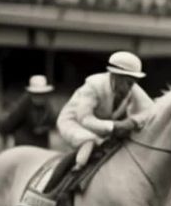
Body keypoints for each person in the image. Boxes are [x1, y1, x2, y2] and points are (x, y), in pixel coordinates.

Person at [53, 51, 154, 184]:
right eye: (129, 83)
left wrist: (133, 122)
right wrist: (115, 126)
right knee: (90, 141)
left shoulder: (131, 88)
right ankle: (64, 180)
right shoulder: (93, 85)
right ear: (116, 76)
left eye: (134, 82)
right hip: (73, 122)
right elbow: (85, 119)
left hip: (99, 129)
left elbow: (153, 111)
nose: (132, 88)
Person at [0, 74, 58, 148]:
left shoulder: (47, 105)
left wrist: (44, 128)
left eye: (42, 94)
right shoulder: (24, 104)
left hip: (42, 147)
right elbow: (7, 124)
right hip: (24, 147)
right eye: (36, 94)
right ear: (31, 93)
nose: (40, 97)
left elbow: (54, 122)